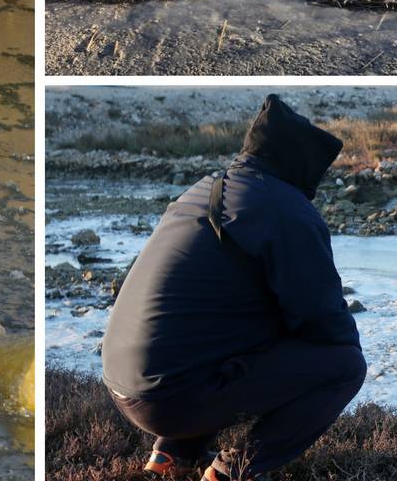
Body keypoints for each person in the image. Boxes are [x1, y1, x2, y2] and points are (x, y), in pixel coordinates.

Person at [102, 95, 366, 481]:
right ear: (301, 163)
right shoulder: (284, 208)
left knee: (225, 324)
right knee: (344, 366)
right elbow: (322, 319)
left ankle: (169, 455)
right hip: (170, 399)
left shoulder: (206, 189)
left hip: (122, 382)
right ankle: (230, 472)